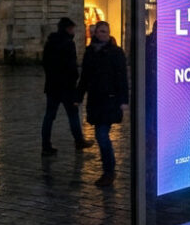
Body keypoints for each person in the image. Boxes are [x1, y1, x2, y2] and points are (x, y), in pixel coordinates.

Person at [75, 20, 128, 187]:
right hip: (95, 100)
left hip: (110, 99)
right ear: (95, 33)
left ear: (109, 33)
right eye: (100, 31)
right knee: (100, 135)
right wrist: (78, 97)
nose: (102, 34)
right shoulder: (90, 51)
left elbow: (122, 78)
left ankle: (109, 171)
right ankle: (108, 171)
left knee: (102, 135)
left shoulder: (116, 52)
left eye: (105, 31)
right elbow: (84, 76)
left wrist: (123, 100)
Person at [42, 17, 92, 156]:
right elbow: (71, 66)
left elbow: (45, 63)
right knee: (73, 115)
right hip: (66, 87)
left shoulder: (50, 42)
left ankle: (45, 146)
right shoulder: (68, 43)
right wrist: (74, 79)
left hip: (52, 86)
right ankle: (79, 141)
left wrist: (51, 78)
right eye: (72, 28)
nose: (74, 31)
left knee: (49, 117)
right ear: (67, 29)